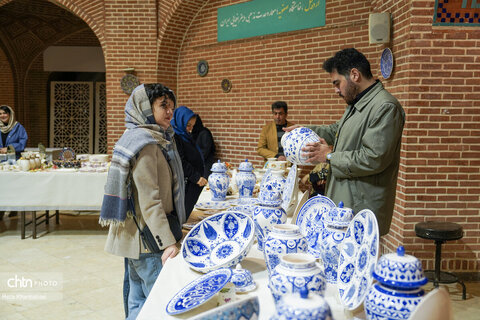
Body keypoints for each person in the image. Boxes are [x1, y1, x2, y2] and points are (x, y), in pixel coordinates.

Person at [289, 48, 405, 236]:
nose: (336, 91)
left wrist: (329, 156)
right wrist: (306, 129)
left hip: (361, 208)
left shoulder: (384, 107)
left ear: (354, 74)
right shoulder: (358, 104)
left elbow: (374, 158)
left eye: (337, 83)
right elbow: (337, 130)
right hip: (345, 202)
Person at [99, 83, 185, 319]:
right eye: (163, 106)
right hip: (149, 241)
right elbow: (150, 201)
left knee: (137, 302)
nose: (170, 112)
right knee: (158, 304)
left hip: (135, 238)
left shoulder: (145, 138)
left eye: (171, 106)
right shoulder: (146, 144)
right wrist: (167, 242)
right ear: (145, 108)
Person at [171, 106, 208, 219]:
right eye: (188, 125)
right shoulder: (175, 137)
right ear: (180, 120)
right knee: (180, 218)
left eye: (192, 126)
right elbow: (180, 161)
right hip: (187, 184)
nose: (190, 129)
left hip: (192, 184)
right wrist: (196, 177)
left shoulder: (185, 135)